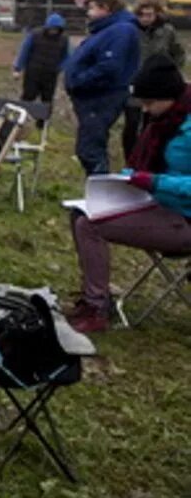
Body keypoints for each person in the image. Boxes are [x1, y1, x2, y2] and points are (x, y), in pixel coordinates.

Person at [69, 55, 191, 333]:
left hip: (184, 218)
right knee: (81, 213)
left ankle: (96, 308)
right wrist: (126, 180)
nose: (145, 111)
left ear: (170, 96)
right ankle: (95, 295)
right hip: (159, 205)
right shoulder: (166, 121)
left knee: (90, 225)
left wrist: (154, 182)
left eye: (150, 103)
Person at [63, 0, 140, 175]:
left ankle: (102, 191)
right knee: (89, 147)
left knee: (90, 150)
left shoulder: (120, 31)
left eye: (92, 8)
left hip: (102, 97)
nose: (89, 14)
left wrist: (79, 81)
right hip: (93, 98)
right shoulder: (106, 30)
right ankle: (97, 191)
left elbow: (110, 66)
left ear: (105, 8)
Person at [122, 0, 185, 160]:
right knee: (131, 123)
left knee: (152, 124)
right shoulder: (130, 30)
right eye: (141, 15)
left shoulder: (167, 31)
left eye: (149, 14)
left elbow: (178, 53)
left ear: (156, 14)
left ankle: (148, 156)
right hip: (134, 82)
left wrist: (170, 73)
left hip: (157, 85)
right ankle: (130, 157)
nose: (145, 18)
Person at [12, 12, 69, 119]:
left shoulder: (64, 40)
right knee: (28, 97)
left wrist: (61, 68)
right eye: (52, 28)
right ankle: (21, 119)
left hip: (50, 74)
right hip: (33, 72)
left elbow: (66, 56)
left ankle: (43, 124)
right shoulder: (35, 35)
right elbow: (24, 51)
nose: (54, 31)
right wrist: (17, 68)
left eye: (56, 29)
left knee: (47, 100)